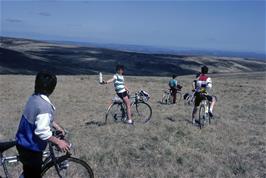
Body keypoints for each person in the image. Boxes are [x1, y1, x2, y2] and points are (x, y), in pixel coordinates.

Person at [16, 71, 70, 178]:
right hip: (31, 147)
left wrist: (57, 126)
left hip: (23, 141)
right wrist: (58, 141)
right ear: (52, 88)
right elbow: (42, 132)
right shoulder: (44, 106)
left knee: (28, 172)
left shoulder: (34, 98)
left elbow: (40, 118)